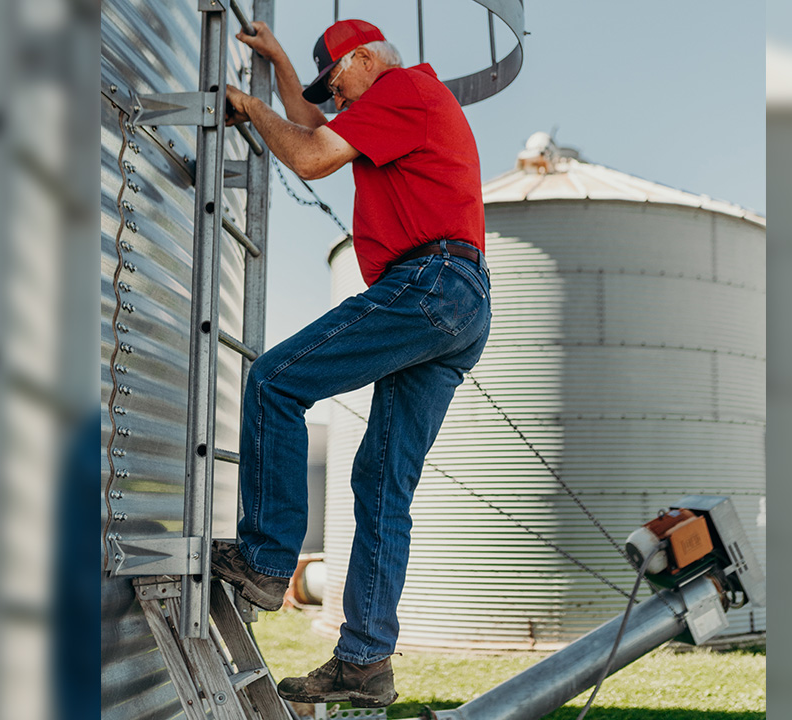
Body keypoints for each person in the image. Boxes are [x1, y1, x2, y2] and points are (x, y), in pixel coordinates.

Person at [211, 18, 491, 709]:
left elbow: (308, 155)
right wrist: (280, 60)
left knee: (276, 381)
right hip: (460, 302)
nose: (335, 103)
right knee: (382, 485)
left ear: (365, 60)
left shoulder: (402, 89)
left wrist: (248, 106)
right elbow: (311, 124)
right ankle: (365, 662)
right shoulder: (395, 105)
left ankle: (265, 560)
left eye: (336, 85)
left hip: (429, 284)